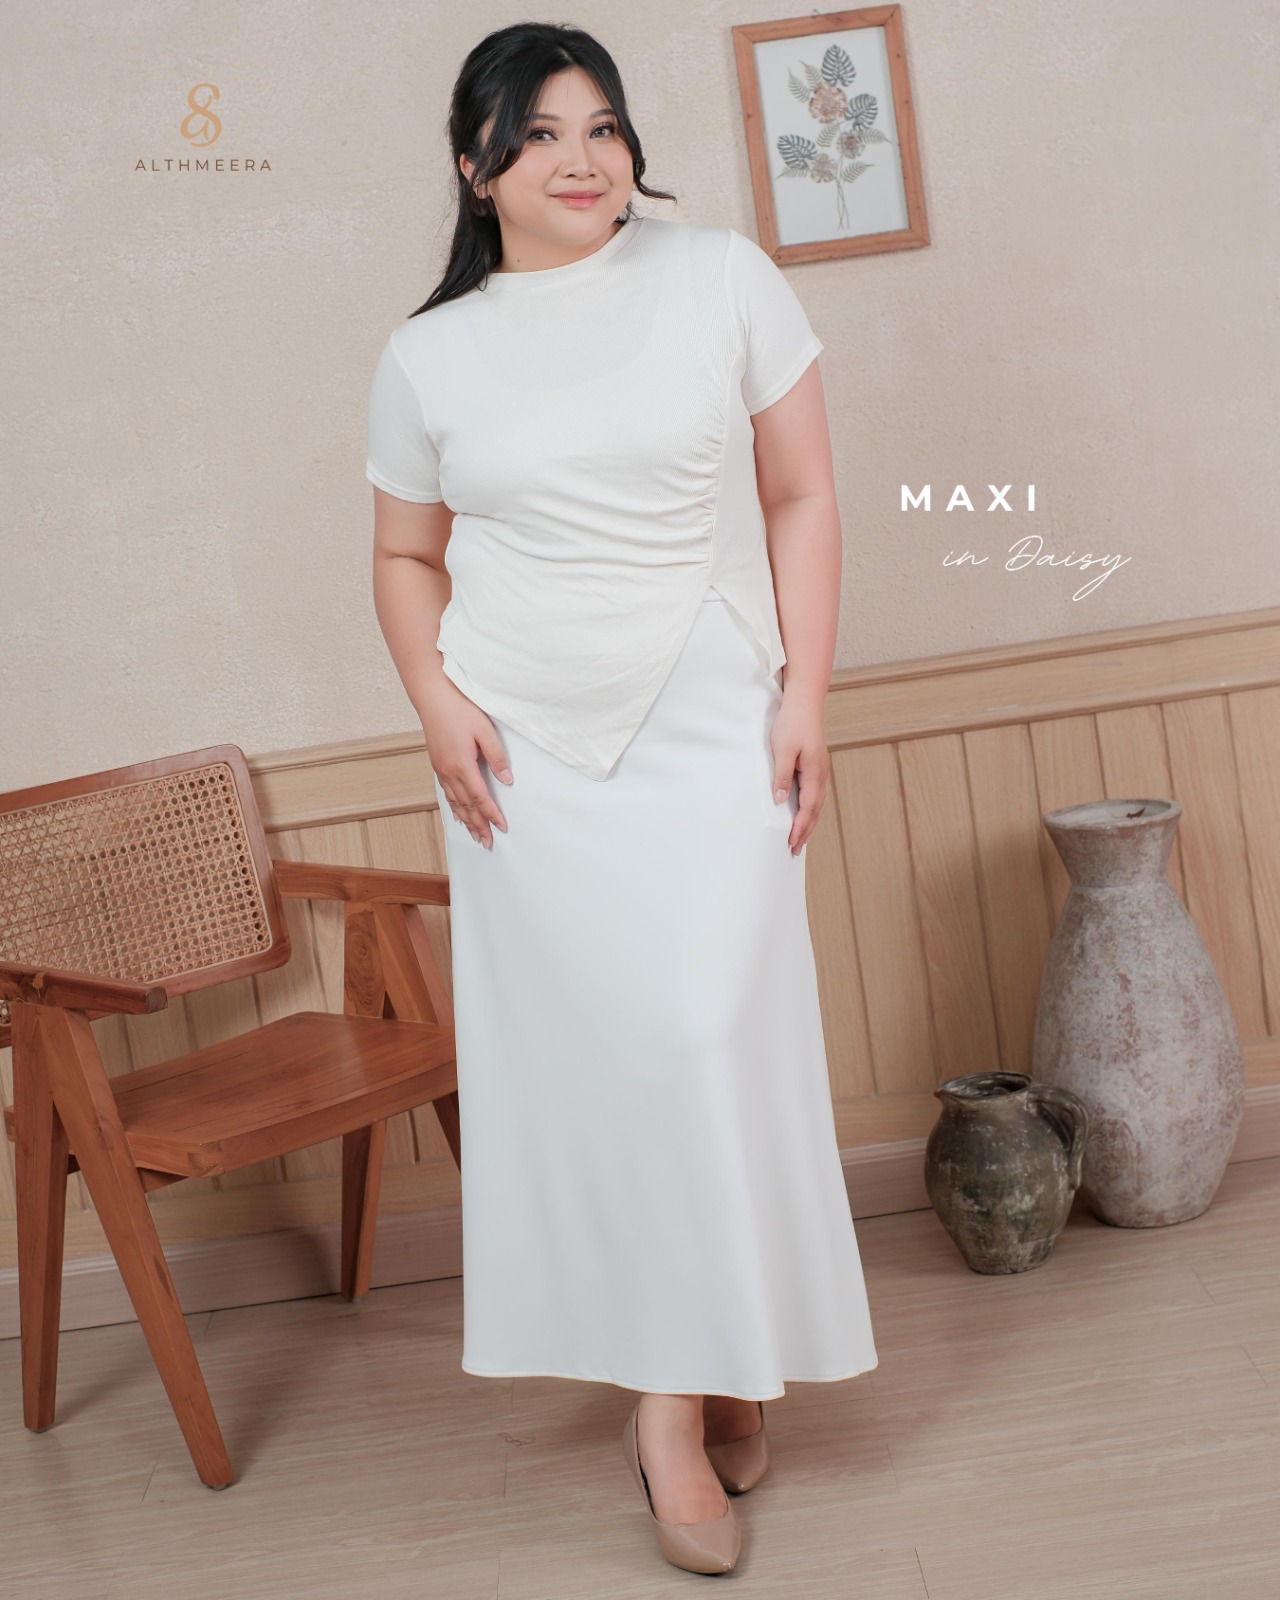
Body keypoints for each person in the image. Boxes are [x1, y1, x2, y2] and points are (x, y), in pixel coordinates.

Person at [365, 21, 878, 1577]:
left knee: (703, 1041)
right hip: (526, 766)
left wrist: (805, 692)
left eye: (601, 126)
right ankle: (692, 1387)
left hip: (714, 724)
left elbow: (802, 490)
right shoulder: (428, 357)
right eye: (538, 134)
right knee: (614, 1077)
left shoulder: (721, 277)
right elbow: (404, 556)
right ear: (476, 167)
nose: (580, 159)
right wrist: (437, 703)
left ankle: (678, 1396)